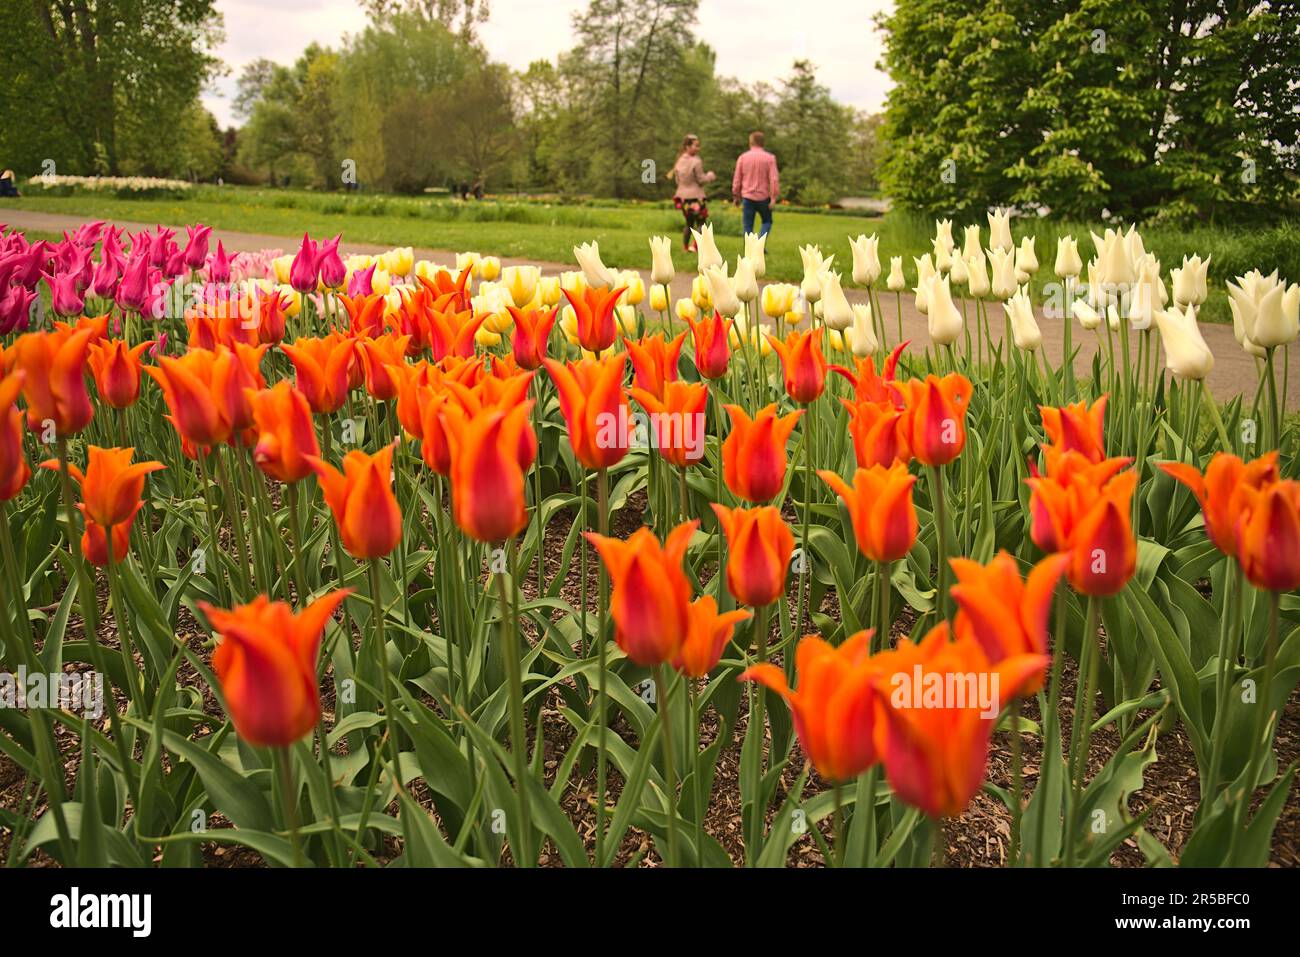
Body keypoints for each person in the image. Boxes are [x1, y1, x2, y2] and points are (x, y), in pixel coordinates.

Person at [666, 134, 715, 252]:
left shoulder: (679, 161)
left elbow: (678, 180)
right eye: (696, 146)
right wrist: (710, 176)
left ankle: (685, 247)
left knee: (688, 223)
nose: (698, 148)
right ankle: (695, 246)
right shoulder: (696, 161)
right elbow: (701, 180)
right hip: (696, 197)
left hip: (682, 197)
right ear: (687, 146)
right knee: (702, 223)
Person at [732, 131, 780, 238]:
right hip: (763, 197)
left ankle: (749, 250)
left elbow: (737, 179)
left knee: (748, 226)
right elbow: (774, 179)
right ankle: (760, 243)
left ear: (751, 142)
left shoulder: (743, 158)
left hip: (747, 197)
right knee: (767, 221)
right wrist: (773, 197)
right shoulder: (770, 158)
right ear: (763, 143)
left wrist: (736, 196)